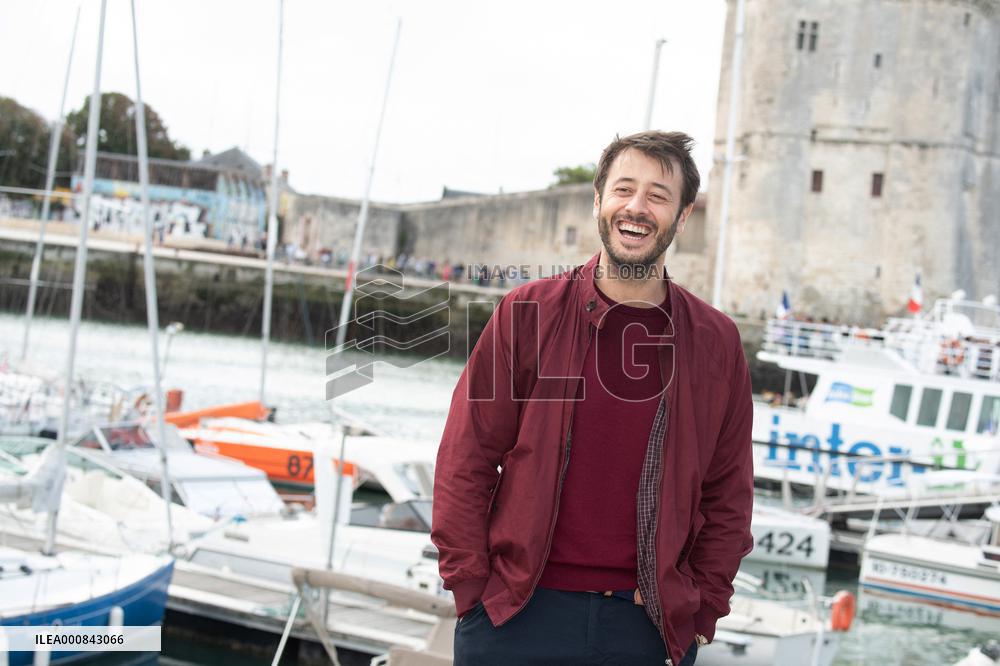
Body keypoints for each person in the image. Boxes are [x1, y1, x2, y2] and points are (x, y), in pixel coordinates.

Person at [431, 131, 755, 666]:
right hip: (515, 618)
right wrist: (472, 590)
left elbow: (729, 492)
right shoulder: (526, 313)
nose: (637, 207)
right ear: (598, 201)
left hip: (645, 631)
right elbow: (466, 457)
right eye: (624, 189)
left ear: (683, 215)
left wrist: (702, 610)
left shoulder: (715, 341)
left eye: (657, 195)